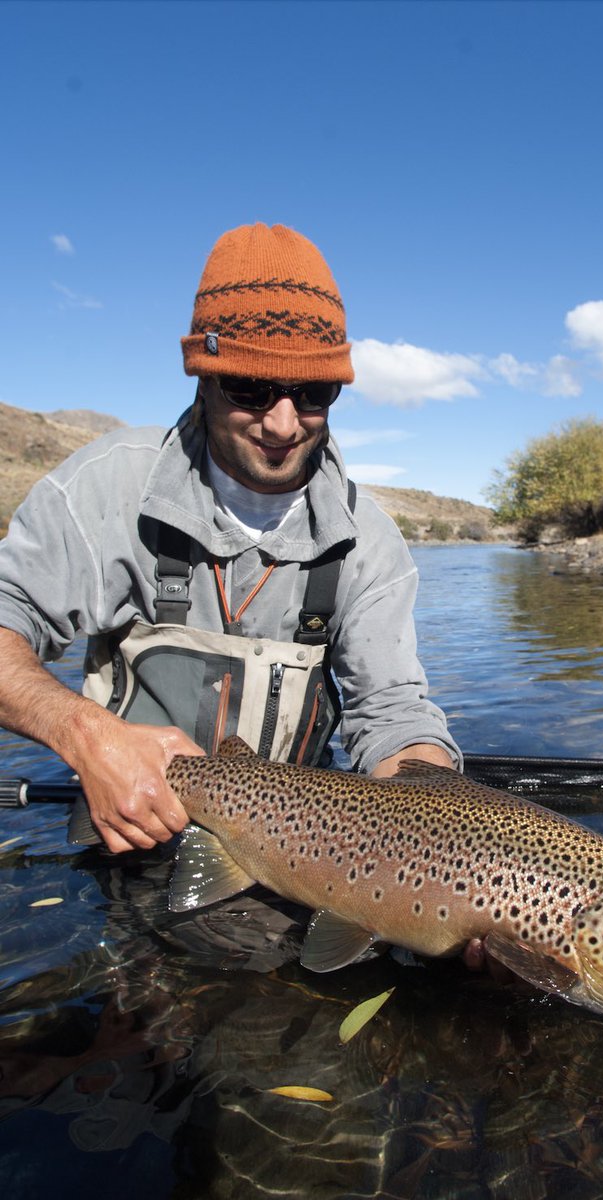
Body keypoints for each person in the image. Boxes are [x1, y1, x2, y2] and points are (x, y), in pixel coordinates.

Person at [0, 222, 462, 856]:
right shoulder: (104, 491)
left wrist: (455, 842)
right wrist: (85, 735)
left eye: (312, 394)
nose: (282, 424)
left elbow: (393, 714)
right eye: (250, 388)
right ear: (203, 378)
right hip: (126, 838)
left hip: (289, 853)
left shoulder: (369, 543)